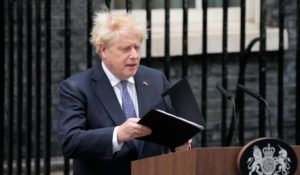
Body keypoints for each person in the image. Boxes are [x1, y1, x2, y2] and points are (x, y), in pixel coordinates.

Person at [57, 11, 191, 175]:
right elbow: (70, 142)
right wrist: (117, 134)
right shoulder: (76, 87)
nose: (134, 55)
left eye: (137, 47)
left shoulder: (156, 79)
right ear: (103, 49)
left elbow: (176, 125)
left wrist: (182, 143)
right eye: (126, 49)